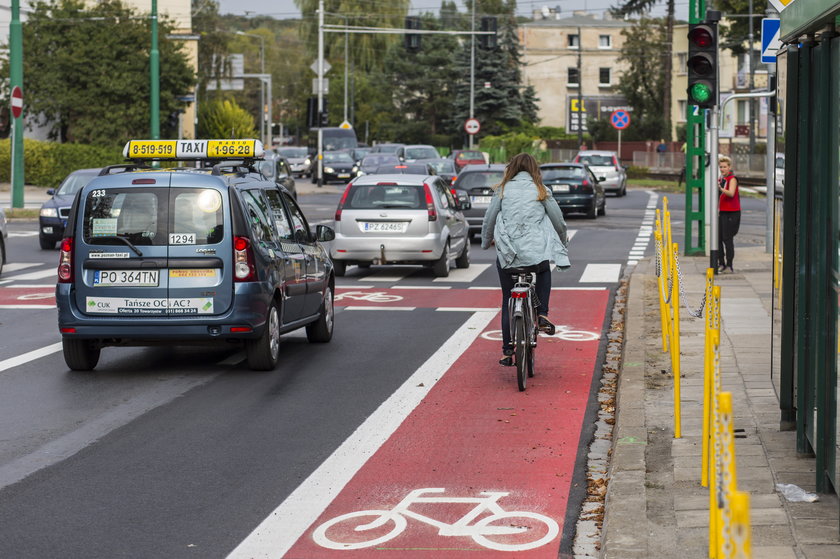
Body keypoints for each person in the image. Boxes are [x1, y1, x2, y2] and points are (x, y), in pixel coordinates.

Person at [480, 153, 570, 367]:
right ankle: (543, 314)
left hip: (508, 256)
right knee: (544, 270)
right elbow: (558, 221)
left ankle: (507, 350)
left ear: (511, 169)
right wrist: (563, 242)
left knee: (506, 299)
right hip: (535, 254)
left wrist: (486, 242)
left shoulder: (501, 191)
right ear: (533, 169)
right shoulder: (541, 190)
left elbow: (489, 220)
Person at [718, 155, 740, 273]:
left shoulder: (732, 179)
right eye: (721, 167)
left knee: (727, 238)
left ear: (729, 167)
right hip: (722, 212)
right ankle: (721, 263)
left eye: (724, 167)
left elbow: (731, 193)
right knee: (718, 238)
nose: (722, 169)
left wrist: (721, 189)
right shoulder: (720, 179)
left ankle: (729, 265)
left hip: (732, 213)